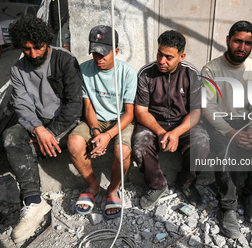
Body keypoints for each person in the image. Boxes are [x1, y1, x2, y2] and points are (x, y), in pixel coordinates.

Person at [2, 15, 82, 244]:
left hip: (65, 124)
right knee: (10, 137)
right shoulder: (18, 69)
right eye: (27, 49)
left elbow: (74, 105)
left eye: (38, 47)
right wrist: (38, 129)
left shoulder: (65, 60)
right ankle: (34, 202)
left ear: (47, 41)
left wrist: (51, 132)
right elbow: (21, 105)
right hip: (37, 125)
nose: (34, 54)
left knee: (32, 148)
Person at [201, 20, 252, 239]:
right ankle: (228, 206)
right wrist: (232, 134)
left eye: (247, 43)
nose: (241, 47)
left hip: (246, 121)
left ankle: (250, 194)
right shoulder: (210, 69)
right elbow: (209, 107)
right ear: (228, 40)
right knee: (226, 150)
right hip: (221, 122)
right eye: (237, 41)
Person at [132, 30, 210, 209]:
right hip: (153, 123)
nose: (161, 60)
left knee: (201, 143)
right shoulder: (146, 73)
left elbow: (196, 112)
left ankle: (186, 183)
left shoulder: (192, 75)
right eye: (159, 54)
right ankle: (157, 185)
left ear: (181, 56)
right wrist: (160, 131)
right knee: (140, 144)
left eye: (168, 57)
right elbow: (141, 111)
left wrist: (175, 133)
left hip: (183, 123)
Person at [67, 25, 137, 218]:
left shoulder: (128, 73)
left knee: (122, 151)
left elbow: (129, 114)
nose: (98, 59)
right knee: (73, 144)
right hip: (95, 120)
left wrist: (108, 136)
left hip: (119, 121)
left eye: (104, 55)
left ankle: (113, 190)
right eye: (95, 54)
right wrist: (97, 132)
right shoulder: (84, 70)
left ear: (115, 51)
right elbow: (88, 107)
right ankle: (93, 186)